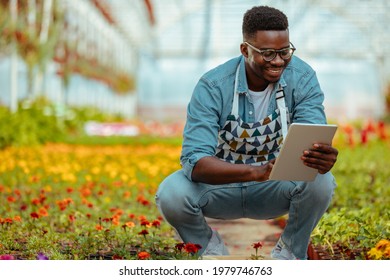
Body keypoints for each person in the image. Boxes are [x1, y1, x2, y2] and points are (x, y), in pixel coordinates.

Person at [155, 5, 338, 260]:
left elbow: (312, 136)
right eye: (267, 53)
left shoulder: (302, 76)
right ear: (245, 50)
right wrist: (255, 172)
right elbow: (194, 162)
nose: (278, 61)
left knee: (322, 182)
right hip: (219, 190)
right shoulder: (213, 86)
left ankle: (290, 254)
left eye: (285, 51)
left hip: (273, 189)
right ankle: (207, 251)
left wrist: (321, 158)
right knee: (171, 193)